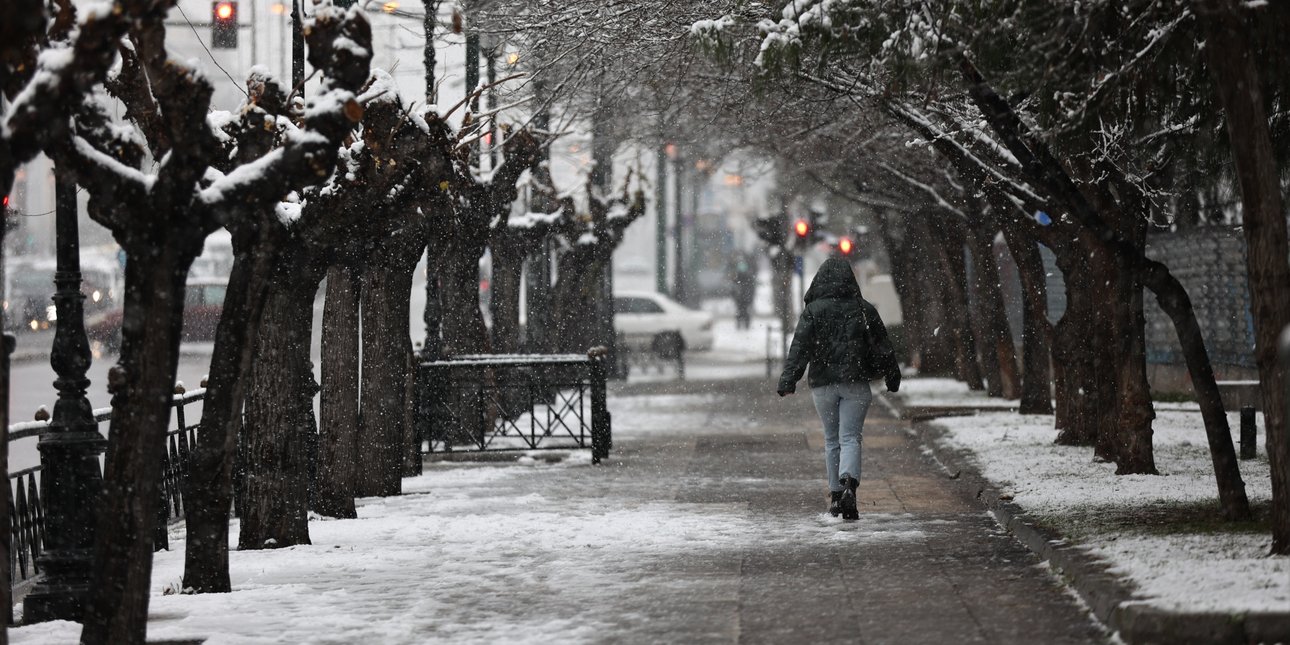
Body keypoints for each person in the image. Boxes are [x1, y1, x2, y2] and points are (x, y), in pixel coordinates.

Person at [776, 257, 900, 521]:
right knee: (851, 437)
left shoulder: (813, 311)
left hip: (823, 386)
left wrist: (788, 381)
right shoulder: (864, 309)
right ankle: (849, 486)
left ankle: (835, 496)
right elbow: (883, 346)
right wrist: (892, 376)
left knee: (832, 440)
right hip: (856, 383)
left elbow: (799, 348)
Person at [731, 255, 756, 330]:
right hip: (743, 297)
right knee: (743, 311)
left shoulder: (740, 277)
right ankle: (743, 324)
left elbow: (734, 288)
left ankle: (743, 324)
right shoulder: (746, 277)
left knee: (742, 311)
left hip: (742, 297)